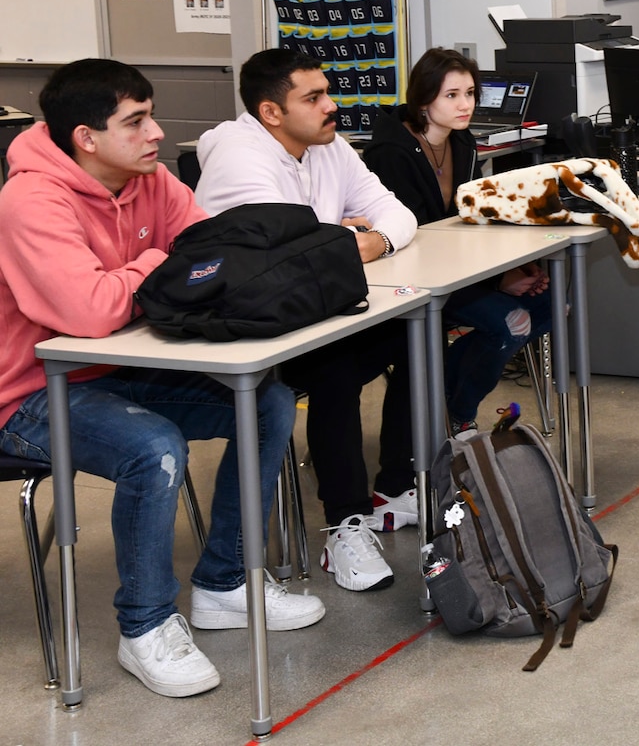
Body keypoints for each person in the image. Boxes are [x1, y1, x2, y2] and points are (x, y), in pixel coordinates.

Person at [0, 60, 324, 698]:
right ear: (85, 139)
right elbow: (89, 312)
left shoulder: (149, 178)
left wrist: (152, 277)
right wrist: (158, 264)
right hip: (28, 393)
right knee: (153, 449)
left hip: (124, 370)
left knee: (265, 402)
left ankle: (226, 583)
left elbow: (213, 252)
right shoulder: (30, 199)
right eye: (136, 121)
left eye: (151, 114)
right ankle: (144, 627)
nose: (156, 133)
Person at [194, 49, 419, 592]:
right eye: (313, 97)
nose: (331, 105)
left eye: (327, 92)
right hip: (247, 330)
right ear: (272, 112)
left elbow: (398, 212)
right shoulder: (239, 157)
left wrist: (370, 238)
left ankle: (394, 485)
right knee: (336, 368)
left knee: (422, 330)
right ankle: (345, 524)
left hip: (315, 308)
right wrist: (339, 235)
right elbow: (288, 256)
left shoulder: (328, 145)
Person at [363, 48, 551, 437]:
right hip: (414, 282)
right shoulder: (392, 151)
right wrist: (497, 283)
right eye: (452, 95)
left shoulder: (463, 143)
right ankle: (458, 413)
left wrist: (512, 267)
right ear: (423, 99)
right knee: (511, 323)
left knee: (553, 304)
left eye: (469, 93)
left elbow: (463, 222)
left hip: (457, 272)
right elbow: (420, 242)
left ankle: (442, 396)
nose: (465, 105)